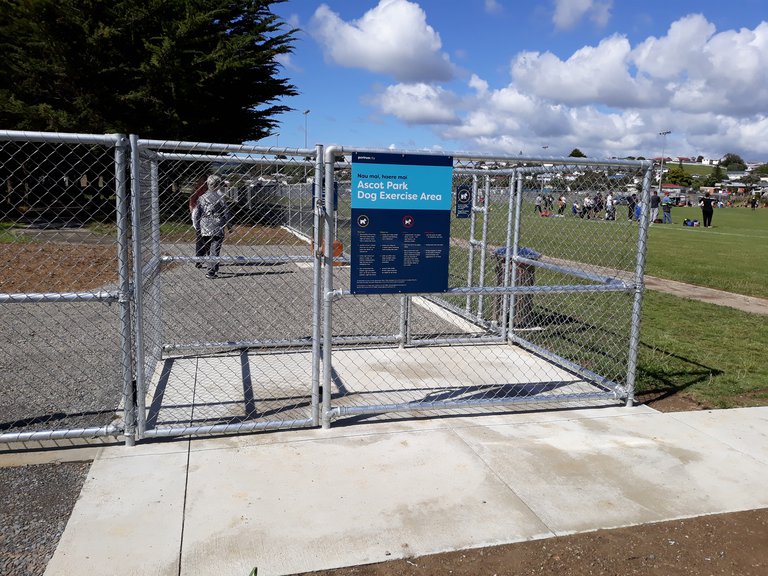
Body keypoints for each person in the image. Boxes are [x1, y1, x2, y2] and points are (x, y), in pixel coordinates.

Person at [193, 175, 232, 278]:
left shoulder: (202, 198)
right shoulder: (221, 198)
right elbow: (226, 212)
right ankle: (212, 271)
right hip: (217, 225)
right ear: (218, 185)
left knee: (208, 247)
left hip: (205, 225)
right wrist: (229, 225)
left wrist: (197, 225)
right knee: (215, 248)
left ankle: (211, 266)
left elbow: (197, 213)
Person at [189, 176, 208, 268]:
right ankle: (209, 258)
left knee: (200, 238)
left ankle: (199, 260)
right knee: (209, 238)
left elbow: (191, 202)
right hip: (207, 215)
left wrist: (192, 212)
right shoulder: (208, 190)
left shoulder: (196, 189)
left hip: (197, 214)